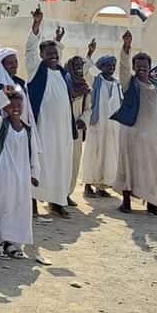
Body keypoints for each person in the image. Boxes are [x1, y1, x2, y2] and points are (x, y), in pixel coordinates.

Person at [25, 8, 76, 219]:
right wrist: (36, 25)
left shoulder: (62, 72)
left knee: (60, 164)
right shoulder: (37, 69)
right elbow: (30, 48)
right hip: (43, 128)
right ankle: (32, 203)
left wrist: (57, 40)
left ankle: (57, 202)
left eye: (55, 54)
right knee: (40, 163)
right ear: (41, 56)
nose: (53, 57)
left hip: (62, 130)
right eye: (49, 54)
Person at [112, 31, 157, 216]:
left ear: (150, 68)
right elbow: (123, 67)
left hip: (153, 136)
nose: (142, 69)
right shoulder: (129, 84)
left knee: (152, 170)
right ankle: (126, 202)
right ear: (134, 67)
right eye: (138, 66)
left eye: (145, 66)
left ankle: (152, 204)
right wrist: (126, 46)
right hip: (132, 134)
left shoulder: (156, 87)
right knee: (129, 167)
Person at [0, 89, 40, 259]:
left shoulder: (28, 129)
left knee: (18, 208)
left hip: (21, 176)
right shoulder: (1, 124)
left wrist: (35, 173)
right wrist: (3, 94)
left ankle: (12, 243)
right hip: (3, 174)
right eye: (11, 105)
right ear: (5, 108)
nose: (15, 108)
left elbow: (34, 153)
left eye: (18, 105)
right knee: (1, 206)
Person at [80, 51, 123, 198]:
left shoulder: (117, 83)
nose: (111, 68)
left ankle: (102, 186)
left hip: (112, 126)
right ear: (101, 67)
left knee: (109, 154)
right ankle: (88, 185)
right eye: (108, 65)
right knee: (93, 154)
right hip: (97, 124)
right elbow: (84, 71)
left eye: (113, 65)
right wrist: (89, 54)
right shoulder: (95, 81)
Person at [65, 52, 92, 206]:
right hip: (63, 129)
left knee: (74, 162)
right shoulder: (64, 84)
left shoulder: (85, 87)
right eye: (76, 66)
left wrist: (83, 120)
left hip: (77, 129)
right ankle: (59, 194)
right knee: (63, 163)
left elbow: (88, 109)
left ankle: (67, 193)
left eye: (81, 66)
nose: (79, 69)